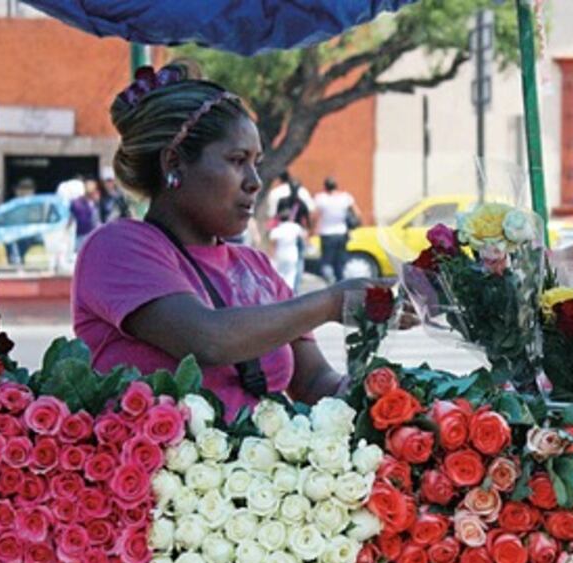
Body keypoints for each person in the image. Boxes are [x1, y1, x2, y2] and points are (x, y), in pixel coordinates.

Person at [72, 62, 369, 419]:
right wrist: (332, 303)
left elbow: (314, 382)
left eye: (256, 162)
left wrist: (390, 395)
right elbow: (208, 339)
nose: (255, 181)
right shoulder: (118, 248)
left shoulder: (254, 265)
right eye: (237, 160)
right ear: (174, 163)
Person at [313, 176, 362, 283]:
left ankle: (330, 282)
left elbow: (314, 215)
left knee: (326, 261)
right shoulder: (345, 197)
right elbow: (358, 213)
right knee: (340, 262)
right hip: (341, 233)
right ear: (336, 186)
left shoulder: (321, 199)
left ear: (325, 187)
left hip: (326, 233)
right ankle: (341, 283)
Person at [269, 200, 306, 291]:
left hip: (280, 254)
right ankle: (289, 294)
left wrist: (272, 257)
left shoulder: (276, 230)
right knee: (291, 275)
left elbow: (273, 245)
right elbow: (304, 235)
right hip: (292, 254)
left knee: (280, 275)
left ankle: (280, 293)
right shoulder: (295, 227)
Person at [71, 178, 102, 250]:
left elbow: (98, 220)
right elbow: (71, 219)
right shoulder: (76, 202)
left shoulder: (96, 203)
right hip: (80, 236)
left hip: (93, 236)